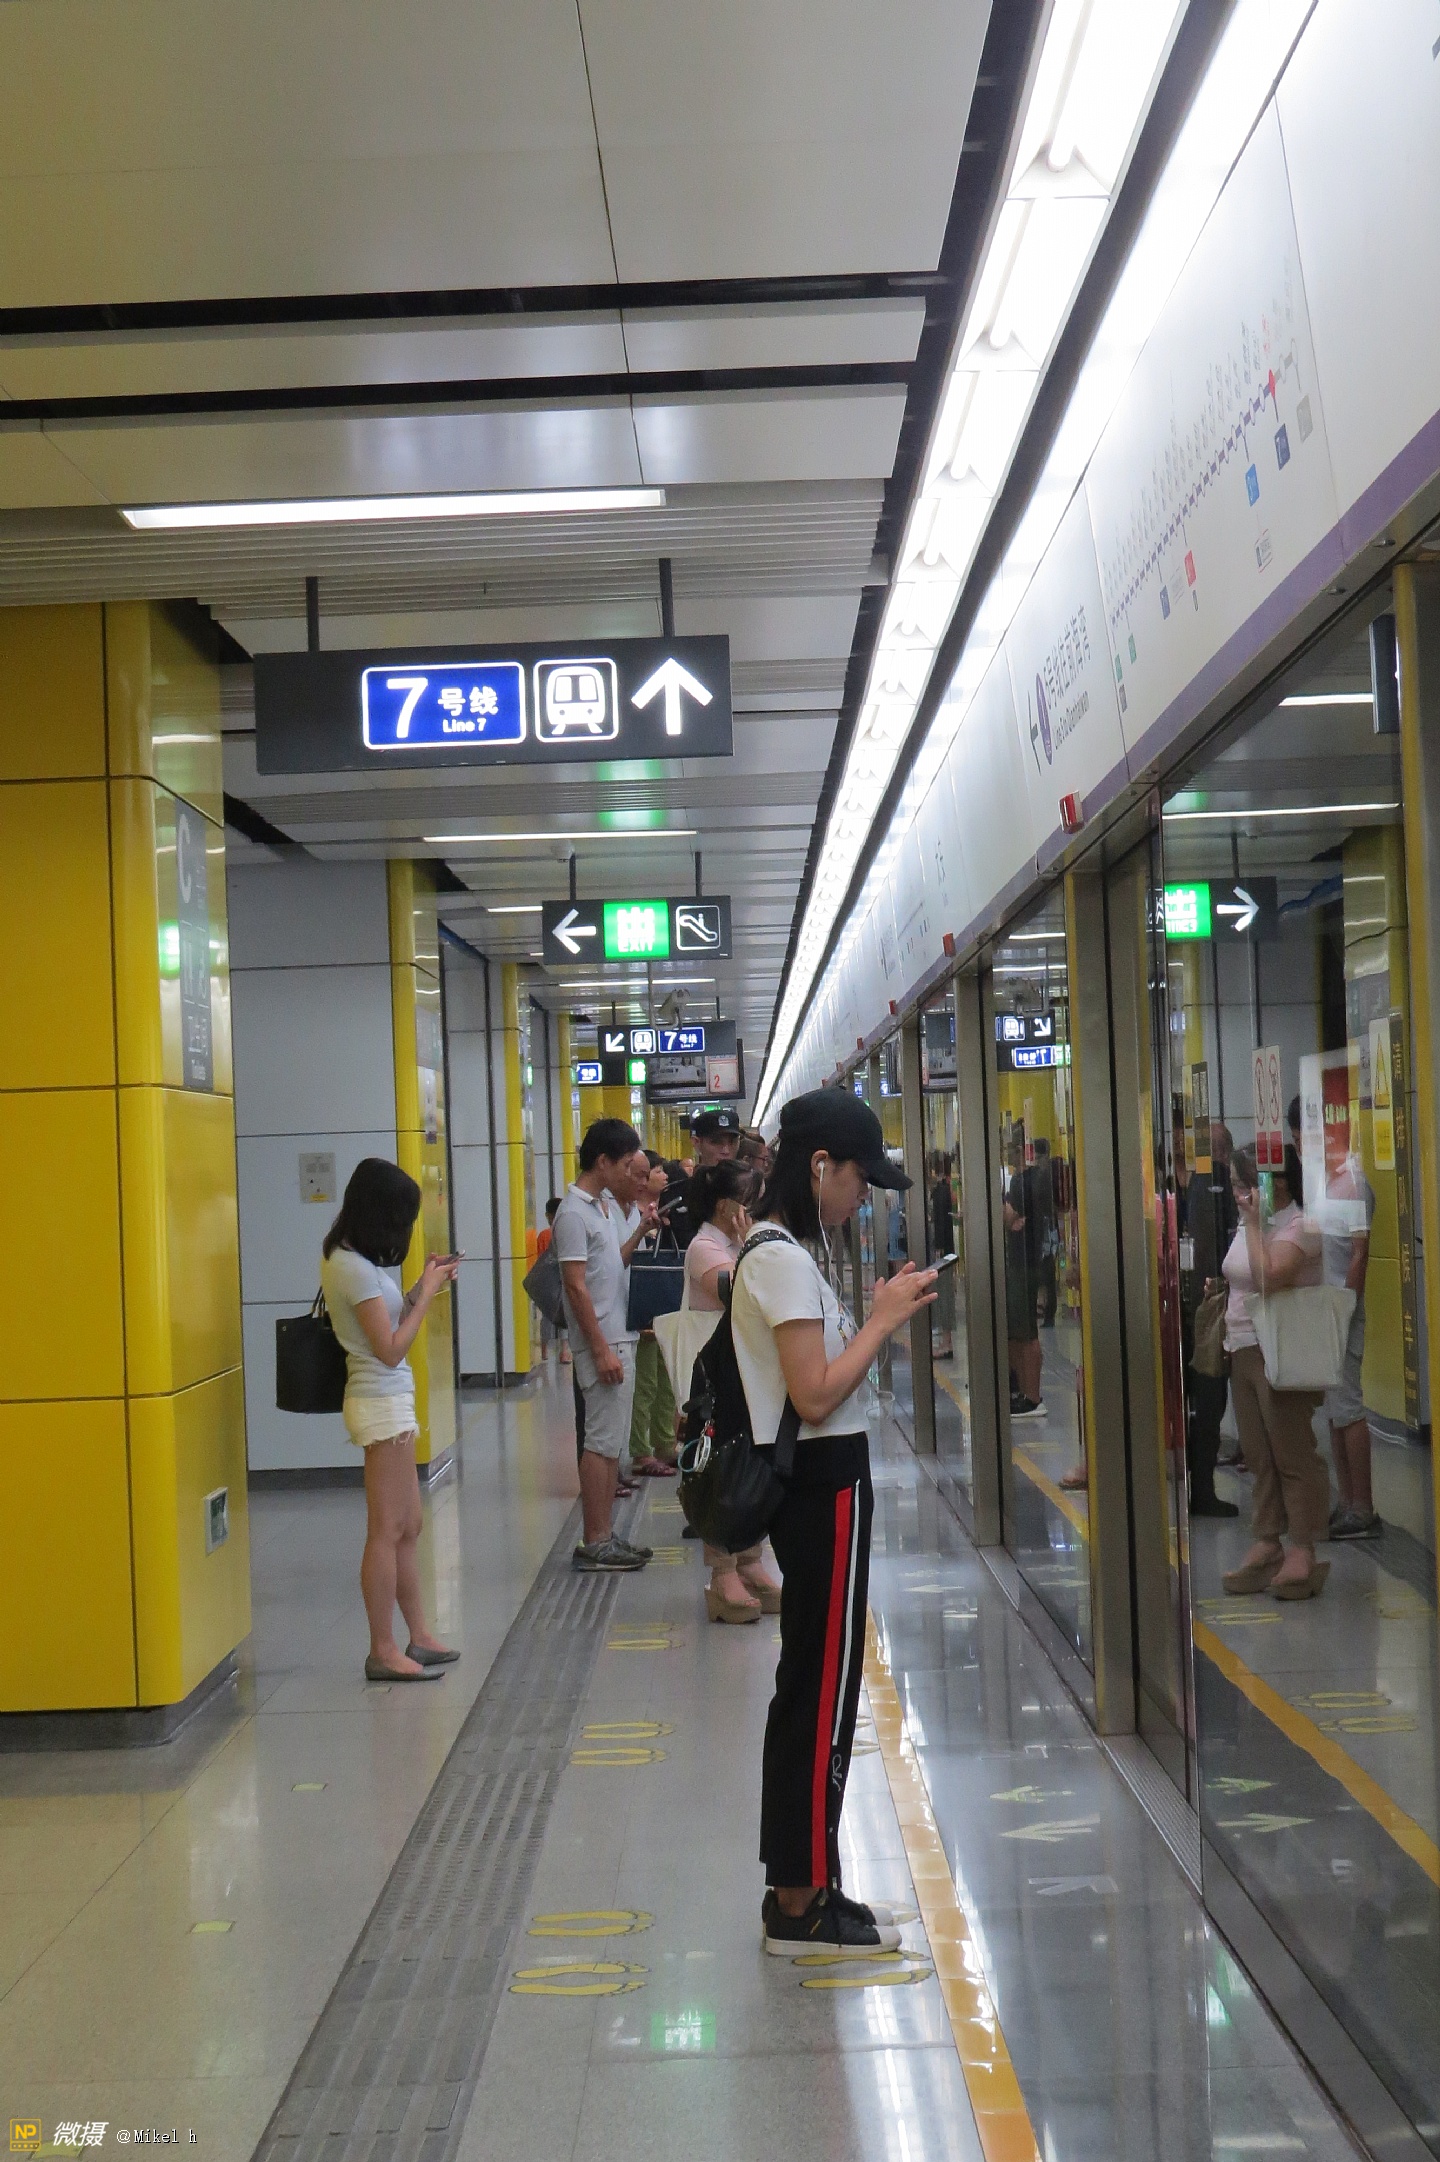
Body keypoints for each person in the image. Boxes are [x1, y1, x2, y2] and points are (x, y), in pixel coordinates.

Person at [729, 1087, 937, 1956]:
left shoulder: (779, 1252)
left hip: (824, 1490)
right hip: (823, 1492)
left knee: (815, 1684)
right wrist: (883, 1320)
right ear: (819, 1167)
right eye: (858, 1179)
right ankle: (801, 1902)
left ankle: (804, 1881)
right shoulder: (779, 1260)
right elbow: (814, 1394)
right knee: (821, 1690)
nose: (862, 1198)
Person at [320, 1158, 461, 1682]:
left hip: (391, 1402)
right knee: (386, 1529)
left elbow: (388, 1323)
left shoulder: (357, 1260)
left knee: (409, 1526)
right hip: (378, 1402)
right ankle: (382, 1648)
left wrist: (421, 1286)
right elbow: (390, 1348)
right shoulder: (351, 1268)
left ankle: (418, 1634)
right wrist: (427, 1297)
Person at [1221, 1145, 1330, 1600]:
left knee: (1291, 1451)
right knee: (1259, 1453)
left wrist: (1251, 1224)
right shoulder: (1255, 1222)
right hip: (1242, 1346)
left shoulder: (1301, 1226)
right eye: (1235, 1186)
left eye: (1245, 1186)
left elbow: (1269, 1277)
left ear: (1276, 1184)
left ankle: (1303, 1546)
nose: (1238, 1195)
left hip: (1281, 1349)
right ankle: (1267, 1540)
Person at [553, 1119, 658, 1572]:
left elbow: (608, 1267)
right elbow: (575, 1287)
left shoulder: (599, 1209)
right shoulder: (573, 1214)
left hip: (618, 1334)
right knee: (600, 1442)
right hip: (604, 1341)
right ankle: (595, 1540)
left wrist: (638, 1233)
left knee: (611, 1442)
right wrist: (598, 1350)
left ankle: (605, 1534)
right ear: (602, 1162)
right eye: (626, 1164)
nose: (632, 1173)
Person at [684, 1159, 783, 1622]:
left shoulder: (732, 1243)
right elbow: (741, 1292)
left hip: (745, 1370)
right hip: (714, 1378)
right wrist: (749, 1245)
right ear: (727, 1206)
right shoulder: (705, 1247)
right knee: (721, 1466)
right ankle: (722, 1572)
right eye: (750, 1201)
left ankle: (750, 1560)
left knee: (749, 1460)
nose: (757, 1209)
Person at [1323, 1149, 1378, 1539]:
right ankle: (1346, 1501)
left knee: (1348, 1406)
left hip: (1343, 1309)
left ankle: (1362, 1508)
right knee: (1334, 1409)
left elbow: (1360, 1254)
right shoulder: (1326, 1183)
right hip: (1325, 1310)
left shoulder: (1354, 1184)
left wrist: (1346, 1307)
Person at [1187, 1124, 1239, 1517]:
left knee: (1204, 1399)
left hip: (1196, 1303)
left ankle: (1199, 1486)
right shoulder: (1214, 1183)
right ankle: (1202, 1489)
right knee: (1210, 1397)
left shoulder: (1192, 1184)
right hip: (1212, 1306)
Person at [627, 1152, 681, 1479]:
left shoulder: (656, 1214)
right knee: (645, 1382)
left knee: (666, 1379)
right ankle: (641, 1449)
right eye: (653, 1171)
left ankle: (665, 1442)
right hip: (643, 1309)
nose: (662, 1176)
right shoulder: (627, 1215)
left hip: (662, 1308)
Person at [1003, 1139, 1044, 1419]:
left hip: (1025, 1263)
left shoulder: (1025, 1183)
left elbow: (1010, 1217)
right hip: (1019, 1261)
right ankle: (1022, 1390)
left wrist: (1007, 1214)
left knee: (1027, 1333)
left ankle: (1033, 1397)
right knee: (1016, 1332)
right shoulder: (1020, 1181)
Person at [929, 1153, 955, 1358]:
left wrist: (939, 1247)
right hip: (944, 1249)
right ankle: (945, 1340)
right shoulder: (943, 1190)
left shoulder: (941, 1192)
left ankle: (947, 1342)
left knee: (944, 1294)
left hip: (943, 1251)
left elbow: (940, 1222)